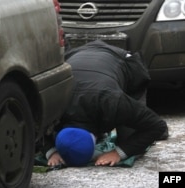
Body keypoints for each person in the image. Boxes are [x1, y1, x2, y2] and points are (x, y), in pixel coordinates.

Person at [39, 40, 168, 167]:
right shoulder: (53, 104)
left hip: (122, 60)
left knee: (130, 137)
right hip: (78, 54)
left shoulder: (112, 102)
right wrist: (52, 152)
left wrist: (118, 153)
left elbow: (157, 126)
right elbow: (32, 126)